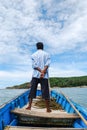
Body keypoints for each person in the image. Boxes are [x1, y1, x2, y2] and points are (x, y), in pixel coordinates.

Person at [26, 42, 51, 112]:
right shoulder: (47, 54)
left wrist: (40, 71)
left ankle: (29, 106)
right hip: (44, 76)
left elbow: (34, 66)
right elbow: (47, 64)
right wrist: (43, 72)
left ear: (37, 47)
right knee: (46, 91)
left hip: (35, 75)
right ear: (43, 47)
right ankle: (48, 109)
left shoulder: (33, 55)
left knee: (32, 90)